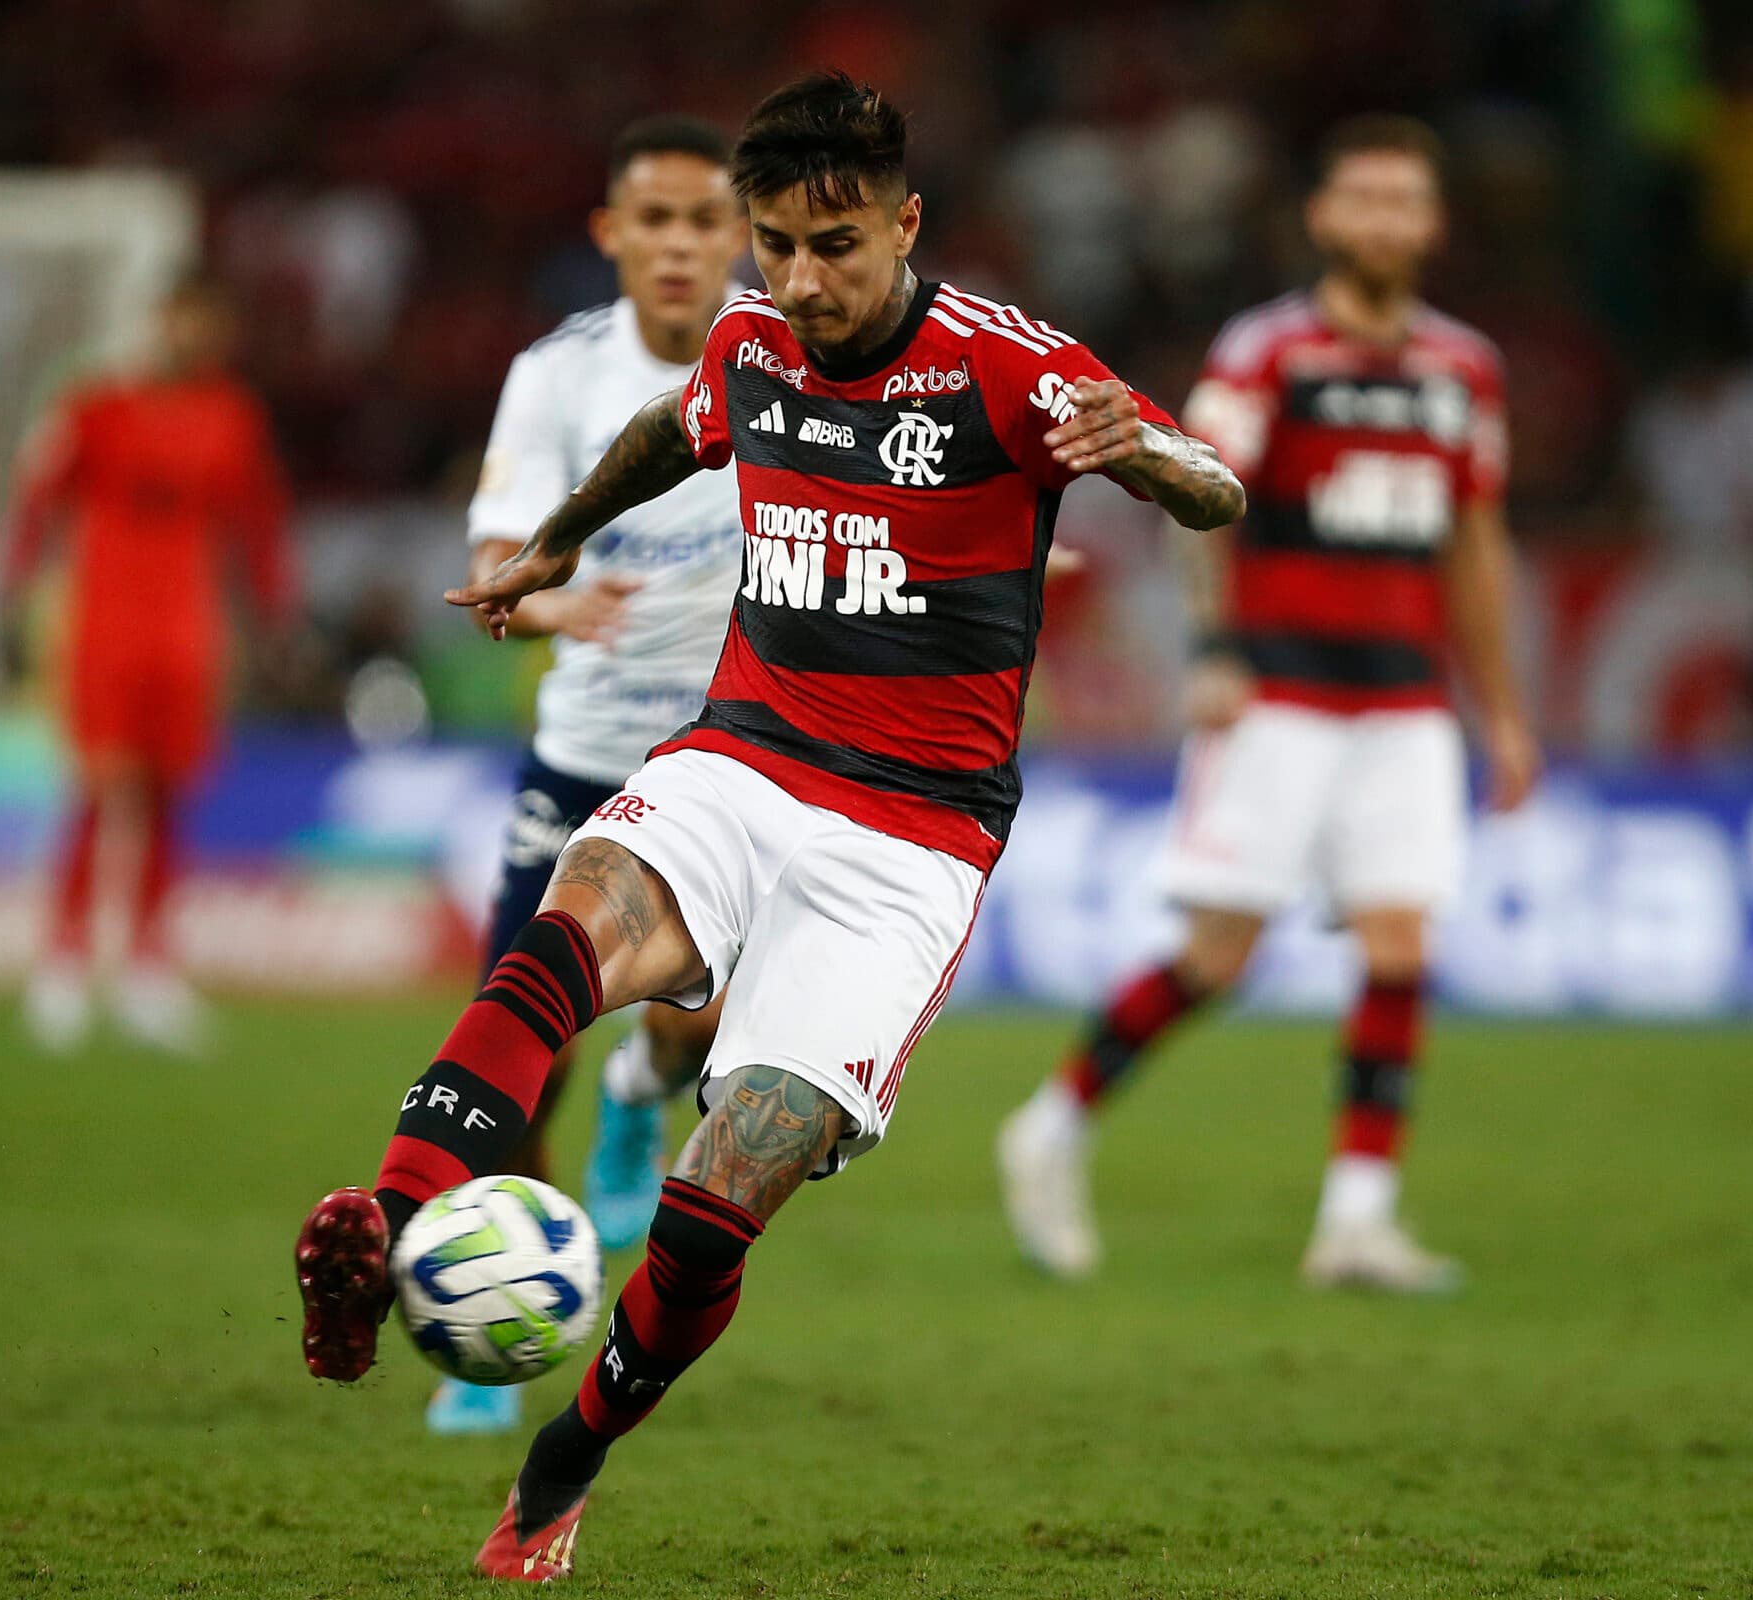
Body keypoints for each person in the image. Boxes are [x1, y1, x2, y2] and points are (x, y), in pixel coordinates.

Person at [292, 73, 1244, 1580]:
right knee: (573, 916)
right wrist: (555, 539)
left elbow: (1217, 490)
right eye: (777, 246)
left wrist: (1147, 454)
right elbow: (674, 434)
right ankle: (391, 1220)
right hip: (742, 755)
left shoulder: (1009, 369)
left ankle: (572, 1451)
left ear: (903, 223)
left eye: (834, 246)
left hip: (910, 842)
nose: (800, 281)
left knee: (722, 1195)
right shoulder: (752, 341)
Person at [996, 115, 1540, 1294]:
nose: (1387, 220)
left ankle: (1356, 1218)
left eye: (1407, 201)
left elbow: (1476, 545)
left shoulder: (1464, 372)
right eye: (1367, 199)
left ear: (1431, 226)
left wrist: (1499, 709)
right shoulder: (1270, 352)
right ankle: (1051, 1124)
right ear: (1326, 217)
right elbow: (1201, 492)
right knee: (1218, 956)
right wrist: (1217, 646)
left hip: (1403, 703)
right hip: (1279, 692)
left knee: (1401, 941)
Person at [429, 114, 749, 1438]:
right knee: (520, 1048)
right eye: (653, 220)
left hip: (733, 763)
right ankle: (478, 1328)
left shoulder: (781, 362)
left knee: (701, 1028)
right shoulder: (558, 378)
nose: (678, 246)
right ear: (610, 234)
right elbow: (505, 538)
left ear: (740, 235)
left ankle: (642, 1098)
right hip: (578, 760)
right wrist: (551, 603)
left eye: (702, 221)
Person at [0, 275, 297, 1055]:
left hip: (187, 633)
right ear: (160, 321)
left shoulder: (232, 417)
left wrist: (273, 617)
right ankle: (63, 966)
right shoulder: (95, 408)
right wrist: (11, 592)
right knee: (99, 790)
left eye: (209, 325)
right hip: (103, 626)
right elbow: (37, 500)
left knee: (167, 797)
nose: (194, 337)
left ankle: (145, 970)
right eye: (183, 320)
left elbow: (257, 525)